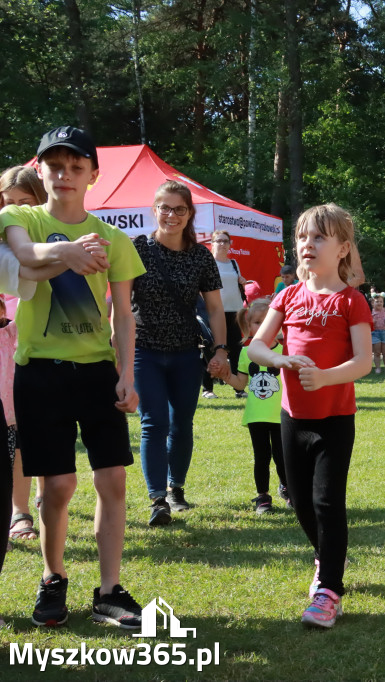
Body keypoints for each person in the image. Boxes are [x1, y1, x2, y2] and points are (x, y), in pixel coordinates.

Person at [0, 126, 147, 628]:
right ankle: (52, 577)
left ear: (93, 176)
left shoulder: (115, 239)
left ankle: (109, 589)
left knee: (113, 479)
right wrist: (70, 253)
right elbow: (23, 257)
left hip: (97, 373)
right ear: (39, 170)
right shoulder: (19, 216)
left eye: (76, 167)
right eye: (55, 166)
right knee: (58, 486)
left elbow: (123, 315)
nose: (65, 175)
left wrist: (127, 373)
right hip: (38, 371)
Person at [247, 203, 372, 629]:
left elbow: (363, 362)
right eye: (302, 237)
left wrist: (327, 377)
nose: (307, 244)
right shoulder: (287, 296)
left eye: (319, 237)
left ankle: (329, 591)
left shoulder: (351, 301)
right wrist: (282, 359)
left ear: (343, 248)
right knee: (299, 500)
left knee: (326, 501)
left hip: (335, 419)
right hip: (292, 418)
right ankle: (326, 556)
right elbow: (255, 348)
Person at [131, 181, 228, 526]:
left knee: (181, 422)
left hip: (187, 352)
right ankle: (158, 498)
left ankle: (177, 488)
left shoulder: (201, 256)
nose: (172, 215)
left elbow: (215, 309)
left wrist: (221, 349)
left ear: (190, 214)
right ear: (154, 210)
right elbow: (118, 305)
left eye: (180, 209)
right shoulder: (136, 249)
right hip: (144, 351)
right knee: (153, 422)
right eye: (165, 208)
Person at [1, 166, 48, 542]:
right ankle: (20, 511)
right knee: (14, 432)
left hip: (46, 349)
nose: (14, 211)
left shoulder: (51, 242)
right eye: (8, 202)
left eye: (24, 203)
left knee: (42, 432)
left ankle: (43, 497)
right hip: (6, 352)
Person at [223, 297, 289, 514]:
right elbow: (240, 384)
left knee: (283, 456)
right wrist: (225, 375)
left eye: (267, 321)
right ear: (247, 325)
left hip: (281, 415)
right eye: (256, 322)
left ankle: (288, 490)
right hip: (256, 416)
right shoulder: (245, 352)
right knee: (261, 457)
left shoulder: (286, 350)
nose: (261, 327)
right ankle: (263, 497)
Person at [202, 229, 246, 399]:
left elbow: (237, 284)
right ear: (212, 244)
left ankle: (239, 388)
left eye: (225, 241)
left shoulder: (234, 263)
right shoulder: (208, 263)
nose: (222, 244)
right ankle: (207, 388)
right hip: (214, 313)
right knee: (212, 350)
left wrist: (241, 281)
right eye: (218, 241)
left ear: (230, 244)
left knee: (235, 350)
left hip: (235, 312)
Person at [369, 292, 385, 374]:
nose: (379, 303)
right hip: (375, 334)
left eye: (381, 301)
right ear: (373, 303)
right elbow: (368, 324)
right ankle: (378, 368)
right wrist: (372, 322)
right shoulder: (371, 313)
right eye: (377, 301)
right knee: (377, 352)